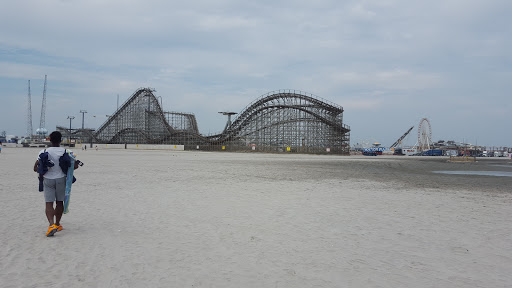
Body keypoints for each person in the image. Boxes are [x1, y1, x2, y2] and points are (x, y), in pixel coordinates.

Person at [33, 131, 80, 237]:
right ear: (61, 140)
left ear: (49, 139)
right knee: (60, 202)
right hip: (61, 179)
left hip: (48, 179)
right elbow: (75, 166)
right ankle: (58, 224)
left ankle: (51, 224)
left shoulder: (43, 151)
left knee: (49, 203)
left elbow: (35, 167)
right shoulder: (67, 151)